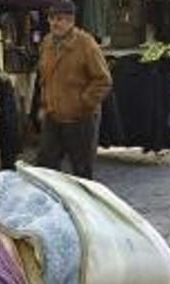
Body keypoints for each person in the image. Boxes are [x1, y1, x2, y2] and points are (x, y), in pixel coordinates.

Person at [35, 0, 112, 180]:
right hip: (53, 116)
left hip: (81, 119)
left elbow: (103, 80)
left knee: (82, 172)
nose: (55, 23)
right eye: (51, 18)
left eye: (60, 19)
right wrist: (44, 104)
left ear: (71, 21)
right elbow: (45, 79)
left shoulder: (86, 44)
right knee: (45, 168)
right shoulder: (47, 43)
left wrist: (83, 102)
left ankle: (84, 207)